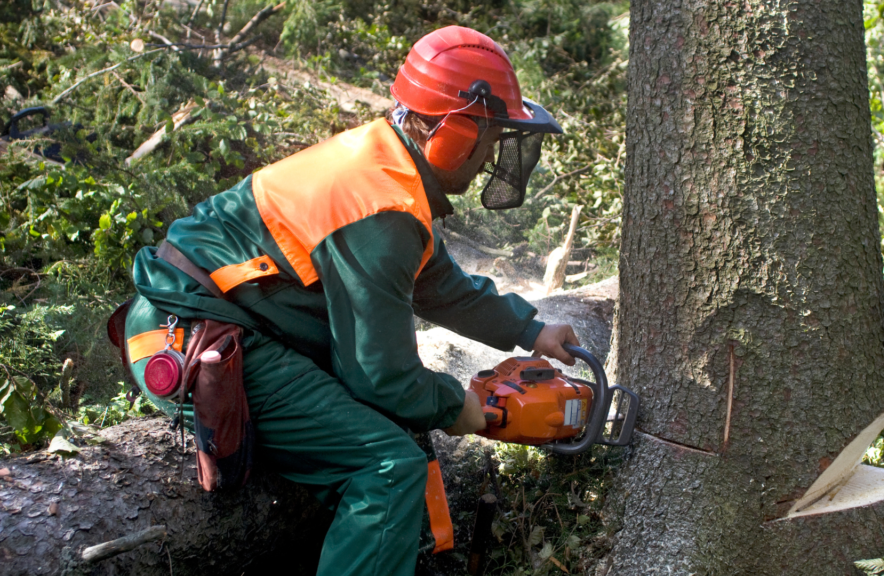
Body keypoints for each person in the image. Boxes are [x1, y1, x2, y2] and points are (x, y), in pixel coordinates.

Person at [120, 25, 579, 576]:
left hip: (225, 322)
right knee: (388, 468)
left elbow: (437, 285)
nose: (488, 159)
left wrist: (531, 331)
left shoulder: (386, 170)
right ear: (454, 133)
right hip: (201, 339)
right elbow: (380, 377)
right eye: (489, 140)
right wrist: (462, 408)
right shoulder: (381, 209)